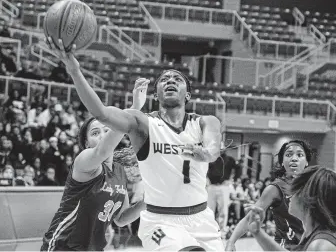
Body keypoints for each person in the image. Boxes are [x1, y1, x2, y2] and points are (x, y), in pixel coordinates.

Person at [47, 38, 223, 251]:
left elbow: (120, 219)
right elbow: (101, 114)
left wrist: (205, 155)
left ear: (187, 94)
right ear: (155, 94)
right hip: (67, 245)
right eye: (164, 78)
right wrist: (75, 71)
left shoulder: (119, 172)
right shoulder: (92, 157)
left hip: (199, 217)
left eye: (177, 78)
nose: (170, 80)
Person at [40, 80, 148, 251]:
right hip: (63, 246)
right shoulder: (84, 161)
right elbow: (102, 152)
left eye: (106, 130)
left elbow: (120, 218)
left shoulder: (119, 171)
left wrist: (148, 202)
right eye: (95, 133)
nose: (102, 136)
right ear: (86, 142)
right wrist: (134, 110)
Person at [226, 140, 312, 251]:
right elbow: (249, 218)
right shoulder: (275, 188)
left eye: (300, 155)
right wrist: (231, 242)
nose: (294, 158)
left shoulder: (314, 185)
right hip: (285, 247)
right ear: (282, 161)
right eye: (289, 155)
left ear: (306, 162)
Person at [246, 166, 336, 251]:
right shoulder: (312, 233)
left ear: (307, 197)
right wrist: (257, 233)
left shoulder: (321, 246)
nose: (290, 196)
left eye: (294, 190)